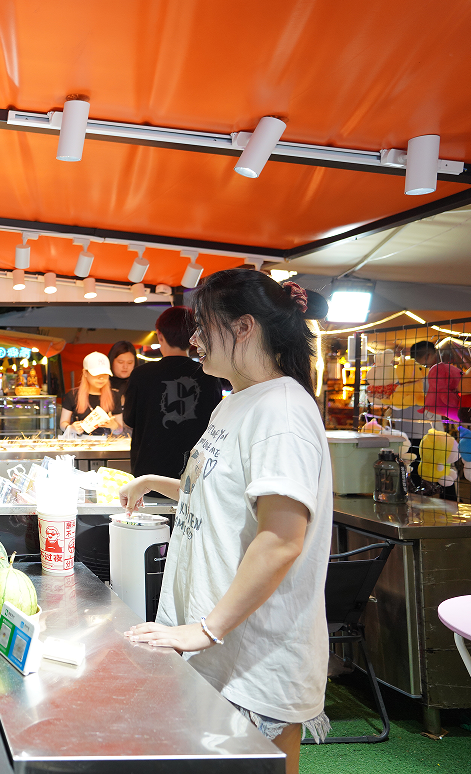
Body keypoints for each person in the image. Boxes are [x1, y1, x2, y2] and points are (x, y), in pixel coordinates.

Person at [118, 270, 333, 774]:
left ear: (243, 328)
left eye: (202, 326)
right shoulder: (235, 400)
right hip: (217, 645)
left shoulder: (281, 411)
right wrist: (158, 481)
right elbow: (228, 496)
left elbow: (281, 539)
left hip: (252, 654)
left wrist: (206, 631)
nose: (193, 339)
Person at [122, 307, 222, 480]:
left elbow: (129, 421)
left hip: (149, 476)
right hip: (196, 477)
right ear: (193, 336)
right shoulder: (210, 376)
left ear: (160, 335)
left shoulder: (141, 375)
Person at [59, 352, 122, 435]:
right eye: (97, 374)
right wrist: (71, 428)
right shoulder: (73, 395)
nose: (101, 378)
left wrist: (114, 426)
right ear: (85, 373)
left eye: (105, 374)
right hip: (80, 443)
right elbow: (62, 423)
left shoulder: (114, 395)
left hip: (106, 444)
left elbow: (120, 430)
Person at [107, 340, 137, 406]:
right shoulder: (102, 383)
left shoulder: (140, 385)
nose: (125, 366)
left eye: (130, 363)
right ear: (111, 361)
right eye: (120, 362)